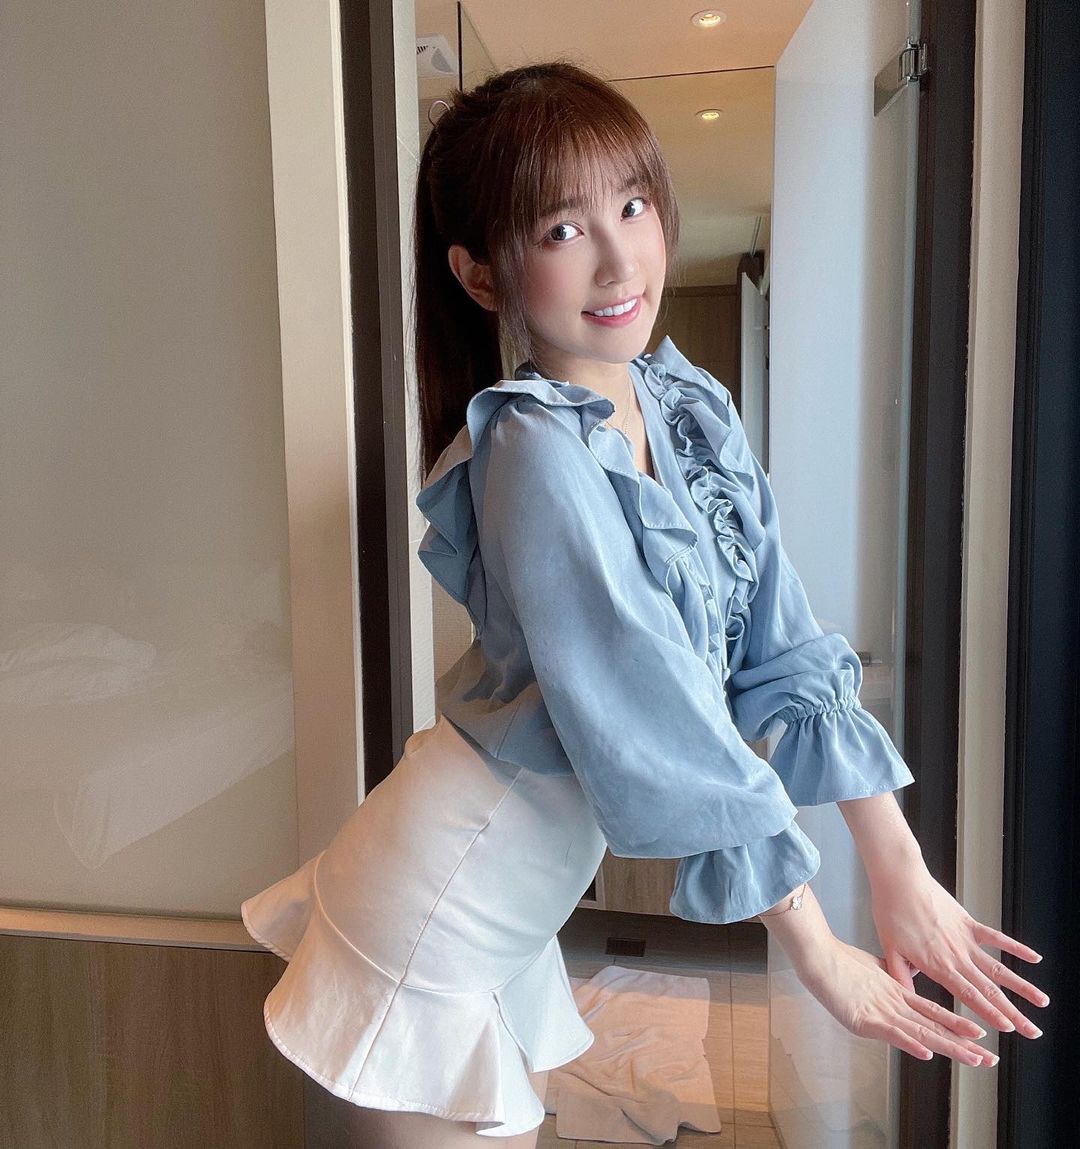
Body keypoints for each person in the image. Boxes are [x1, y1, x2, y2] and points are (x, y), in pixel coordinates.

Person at [240, 60, 1048, 1148]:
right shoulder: (532, 449)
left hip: (513, 895)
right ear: (481, 275)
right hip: (437, 895)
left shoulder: (687, 402)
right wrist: (816, 949)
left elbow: (781, 639)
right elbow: (661, 717)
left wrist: (902, 871)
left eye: (631, 205)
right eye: (562, 229)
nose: (621, 259)